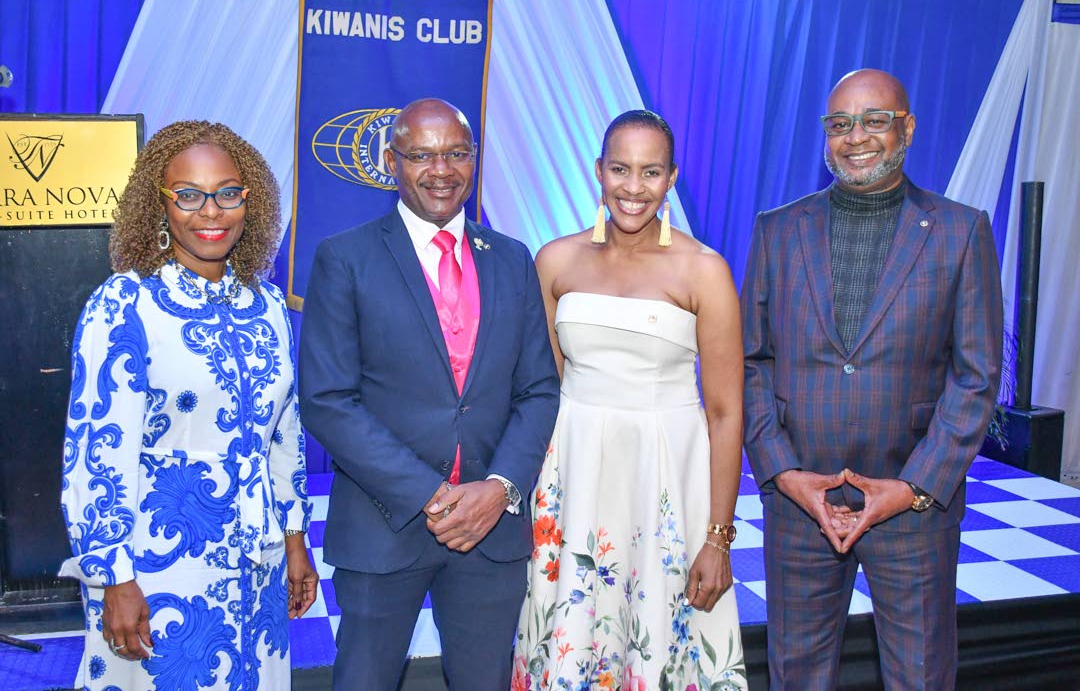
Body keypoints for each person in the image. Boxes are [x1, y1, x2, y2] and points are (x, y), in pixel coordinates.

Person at [741, 69, 1004, 689]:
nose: (855, 136)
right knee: (796, 676)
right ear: (825, 136)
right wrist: (783, 473)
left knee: (921, 677)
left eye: (874, 120)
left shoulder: (961, 231)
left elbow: (976, 376)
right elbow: (749, 362)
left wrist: (913, 488)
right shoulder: (778, 231)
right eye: (840, 124)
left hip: (912, 508)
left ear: (906, 127)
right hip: (802, 506)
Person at [298, 98, 560, 690]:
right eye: (421, 154)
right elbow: (328, 400)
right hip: (383, 525)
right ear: (393, 161)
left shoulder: (513, 259)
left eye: (456, 153)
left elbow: (540, 390)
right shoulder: (346, 258)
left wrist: (498, 490)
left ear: (474, 160)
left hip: (490, 531)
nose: (441, 169)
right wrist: (433, 496)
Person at [60, 120, 318, 690]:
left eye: (228, 193)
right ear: (160, 204)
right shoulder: (125, 304)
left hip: (261, 559)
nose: (211, 211)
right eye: (189, 195)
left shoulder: (268, 304)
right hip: (158, 569)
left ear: (249, 200)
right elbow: (98, 452)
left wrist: (296, 540)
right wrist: (111, 579)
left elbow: (284, 435)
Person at [513, 110, 747, 690]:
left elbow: (724, 412)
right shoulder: (555, 261)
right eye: (620, 168)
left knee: (661, 634)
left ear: (671, 178)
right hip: (572, 476)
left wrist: (718, 536)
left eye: (651, 172)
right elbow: (543, 389)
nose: (633, 188)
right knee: (569, 631)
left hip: (665, 480)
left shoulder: (705, 270)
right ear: (598, 171)